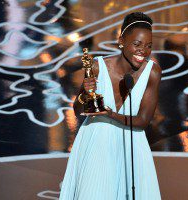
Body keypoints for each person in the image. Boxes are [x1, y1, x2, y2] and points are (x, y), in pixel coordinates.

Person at [59, 12, 162, 200]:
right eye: (137, 44)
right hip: (97, 144)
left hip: (132, 146)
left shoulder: (152, 72)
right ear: (121, 40)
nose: (143, 51)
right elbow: (77, 110)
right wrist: (84, 94)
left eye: (148, 46)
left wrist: (110, 114)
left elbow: (142, 121)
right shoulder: (97, 67)